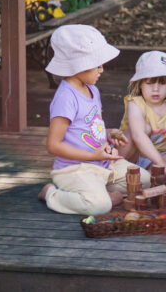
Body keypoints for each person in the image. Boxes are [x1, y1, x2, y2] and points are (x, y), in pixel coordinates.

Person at [37, 25, 149, 215]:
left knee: (143, 179)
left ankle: (98, 190)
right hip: (75, 169)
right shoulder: (66, 97)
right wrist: (93, 156)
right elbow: (53, 145)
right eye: (97, 64)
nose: (102, 70)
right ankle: (51, 194)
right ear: (78, 64)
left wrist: (108, 133)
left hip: (102, 165)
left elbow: (86, 128)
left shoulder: (92, 90)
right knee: (99, 206)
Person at [116, 50, 166, 177]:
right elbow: (138, 135)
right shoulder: (135, 103)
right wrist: (162, 164)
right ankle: (136, 173)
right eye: (150, 83)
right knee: (144, 128)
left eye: (162, 83)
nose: (155, 89)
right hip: (130, 156)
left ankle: (149, 175)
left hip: (156, 158)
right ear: (140, 84)